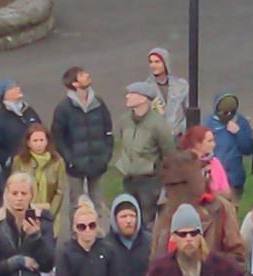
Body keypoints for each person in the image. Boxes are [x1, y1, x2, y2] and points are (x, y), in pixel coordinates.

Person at [51, 66, 114, 219]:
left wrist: (105, 157)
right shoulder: (63, 108)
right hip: (75, 165)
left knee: (98, 202)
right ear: (75, 83)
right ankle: (76, 236)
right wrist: (69, 160)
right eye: (82, 75)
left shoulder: (98, 103)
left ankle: (99, 236)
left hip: (97, 161)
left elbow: (108, 131)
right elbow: (58, 136)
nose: (87, 75)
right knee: (76, 204)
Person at [116, 81, 175, 228]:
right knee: (129, 217)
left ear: (143, 98)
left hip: (149, 182)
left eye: (132, 93)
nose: (127, 96)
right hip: (128, 178)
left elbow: (169, 154)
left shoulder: (158, 124)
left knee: (146, 220)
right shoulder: (125, 120)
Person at [11, 123, 67, 238]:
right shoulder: (19, 161)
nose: (39, 144)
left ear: (47, 141)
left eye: (41, 140)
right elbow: (14, 187)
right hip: (26, 214)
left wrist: (50, 212)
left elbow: (60, 190)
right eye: (35, 141)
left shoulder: (57, 161)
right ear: (28, 143)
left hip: (49, 214)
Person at [203, 92, 253, 202]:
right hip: (213, 181)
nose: (228, 115)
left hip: (233, 180)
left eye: (231, 113)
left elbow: (248, 149)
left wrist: (238, 132)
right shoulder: (208, 123)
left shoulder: (241, 122)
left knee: (231, 214)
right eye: (224, 113)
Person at [0, 80, 41, 176]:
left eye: (17, 86)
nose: (18, 89)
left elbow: (42, 131)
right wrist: (10, 162)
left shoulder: (29, 111)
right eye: (12, 88)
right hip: (17, 171)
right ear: (3, 95)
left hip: (39, 165)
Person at [147, 48, 189, 137]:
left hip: (179, 137)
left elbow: (189, 111)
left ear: (165, 63)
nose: (153, 65)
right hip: (156, 138)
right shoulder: (146, 88)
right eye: (151, 62)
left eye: (157, 62)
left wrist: (181, 130)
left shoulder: (181, 85)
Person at [180, 126, 230, 197]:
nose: (214, 144)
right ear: (197, 144)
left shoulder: (214, 162)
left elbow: (226, 190)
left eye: (213, 140)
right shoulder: (184, 164)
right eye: (209, 141)